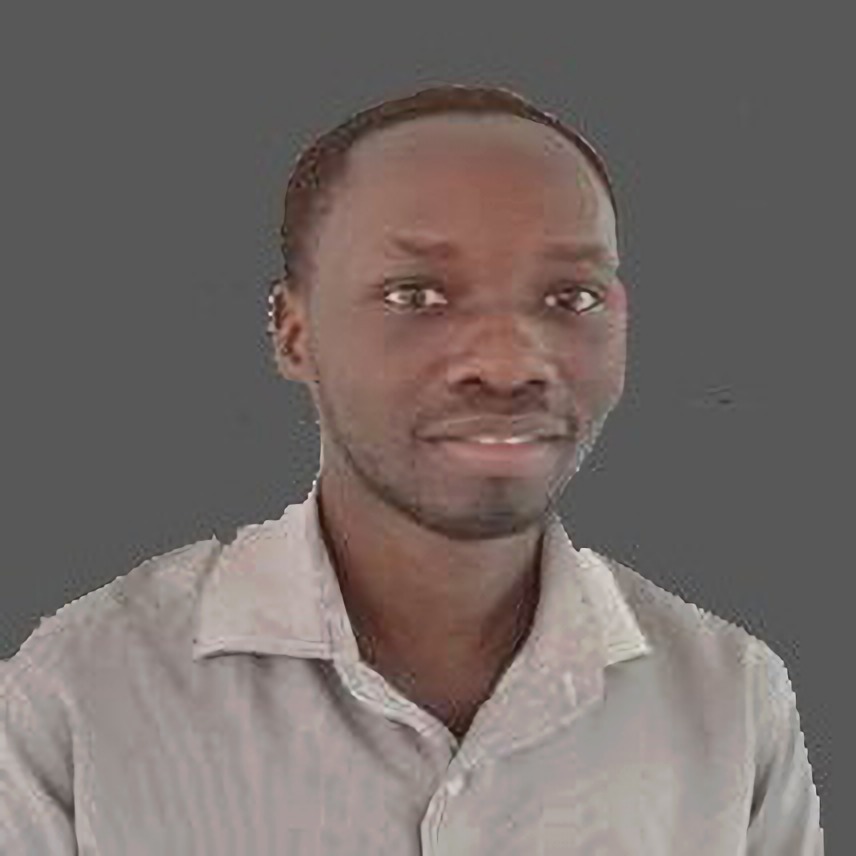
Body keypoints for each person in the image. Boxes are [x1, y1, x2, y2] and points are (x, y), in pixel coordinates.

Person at [1, 85, 823, 853]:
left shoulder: (731, 702)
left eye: (570, 297)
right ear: (293, 334)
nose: (507, 364)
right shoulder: (81, 696)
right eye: (416, 295)